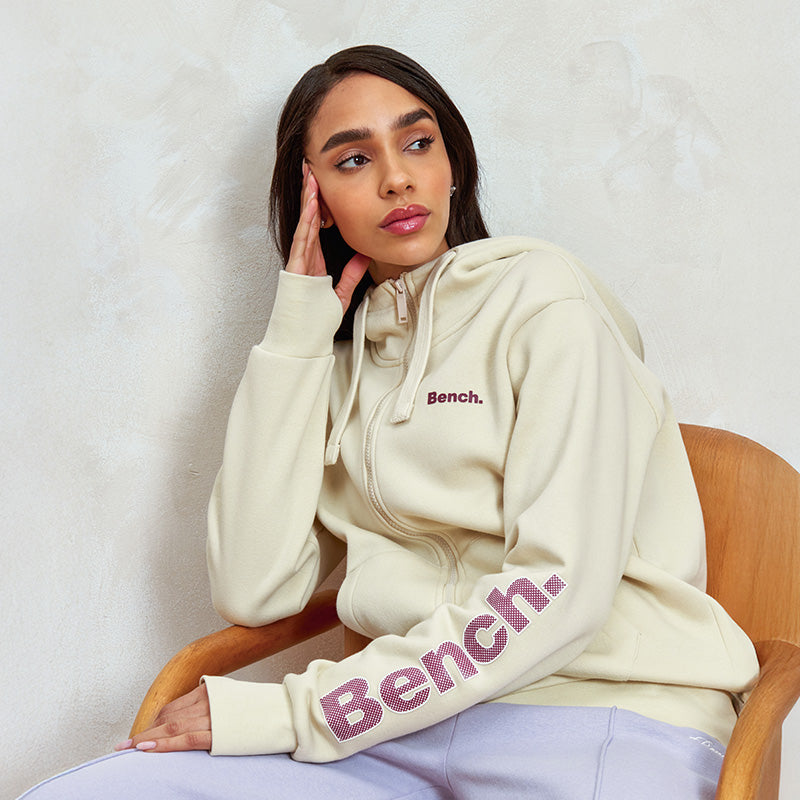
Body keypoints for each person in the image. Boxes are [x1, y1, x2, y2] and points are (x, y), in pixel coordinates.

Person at [19, 44, 759, 799]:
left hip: (601, 716)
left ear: (453, 165)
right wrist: (297, 337)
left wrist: (293, 712)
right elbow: (255, 589)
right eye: (352, 160)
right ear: (313, 198)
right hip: (394, 736)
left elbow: (557, 590)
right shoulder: (338, 366)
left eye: (418, 143)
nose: (397, 178)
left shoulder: (546, 303)